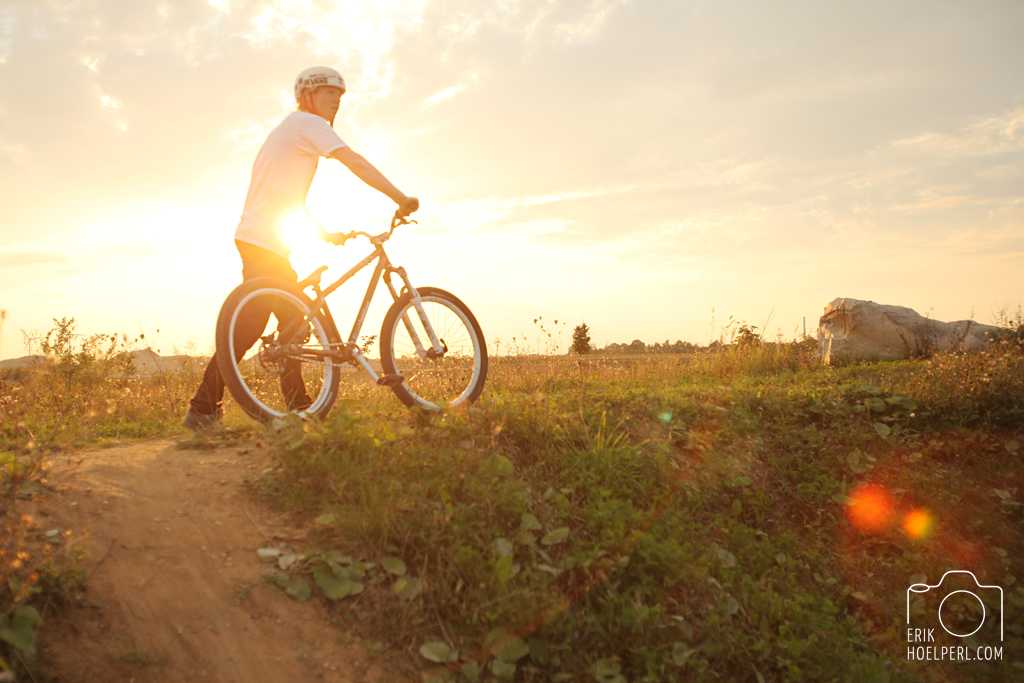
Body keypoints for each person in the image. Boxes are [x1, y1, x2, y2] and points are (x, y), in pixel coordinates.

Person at [183, 66, 419, 430]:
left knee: (292, 324)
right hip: (263, 240)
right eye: (329, 93)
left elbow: (287, 198)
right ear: (308, 96)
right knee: (255, 325)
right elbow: (353, 160)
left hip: (264, 239)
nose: (337, 100)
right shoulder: (309, 125)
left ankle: (298, 407)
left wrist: (323, 234)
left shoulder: (291, 129)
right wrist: (399, 197)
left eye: (340, 95)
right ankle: (204, 410)